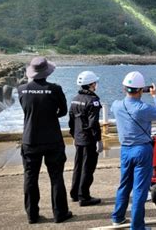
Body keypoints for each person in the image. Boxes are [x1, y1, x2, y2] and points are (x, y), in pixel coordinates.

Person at [18, 57, 72, 224]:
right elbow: (63, 111)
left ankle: (32, 215)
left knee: (30, 177)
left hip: (30, 139)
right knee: (56, 177)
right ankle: (59, 213)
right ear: (47, 72)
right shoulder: (55, 89)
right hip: (52, 139)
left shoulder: (22, 89)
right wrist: (50, 115)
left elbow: (26, 109)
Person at [111, 71, 156, 229]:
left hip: (125, 150)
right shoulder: (143, 108)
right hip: (142, 150)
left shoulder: (116, 105)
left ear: (124, 88)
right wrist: (155, 96)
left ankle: (118, 217)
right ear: (141, 90)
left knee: (124, 184)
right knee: (140, 190)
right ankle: (137, 226)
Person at [68, 71, 103, 206]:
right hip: (88, 139)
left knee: (78, 166)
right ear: (91, 84)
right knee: (88, 167)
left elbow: (71, 120)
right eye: (95, 83)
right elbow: (93, 123)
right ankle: (84, 196)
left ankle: (75, 193)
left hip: (78, 137)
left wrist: (74, 135)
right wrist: (98, 140)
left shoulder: (75, 98)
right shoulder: (93, 101)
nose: (96, 85)